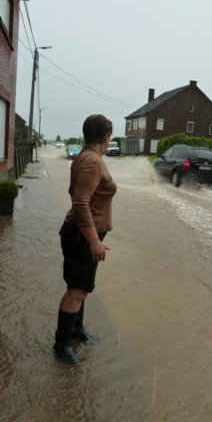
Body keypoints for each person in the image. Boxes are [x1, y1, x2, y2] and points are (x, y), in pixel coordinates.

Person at [53, 114, 117, 366]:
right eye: (109, 135)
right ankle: (61, 346)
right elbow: (80, 203)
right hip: (81, 235)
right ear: (105, 137)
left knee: (82, 287)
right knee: (76, 290)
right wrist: (93, 241)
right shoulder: (92, 161)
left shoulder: (87, 157)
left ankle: (77, 332)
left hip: (83, 233)